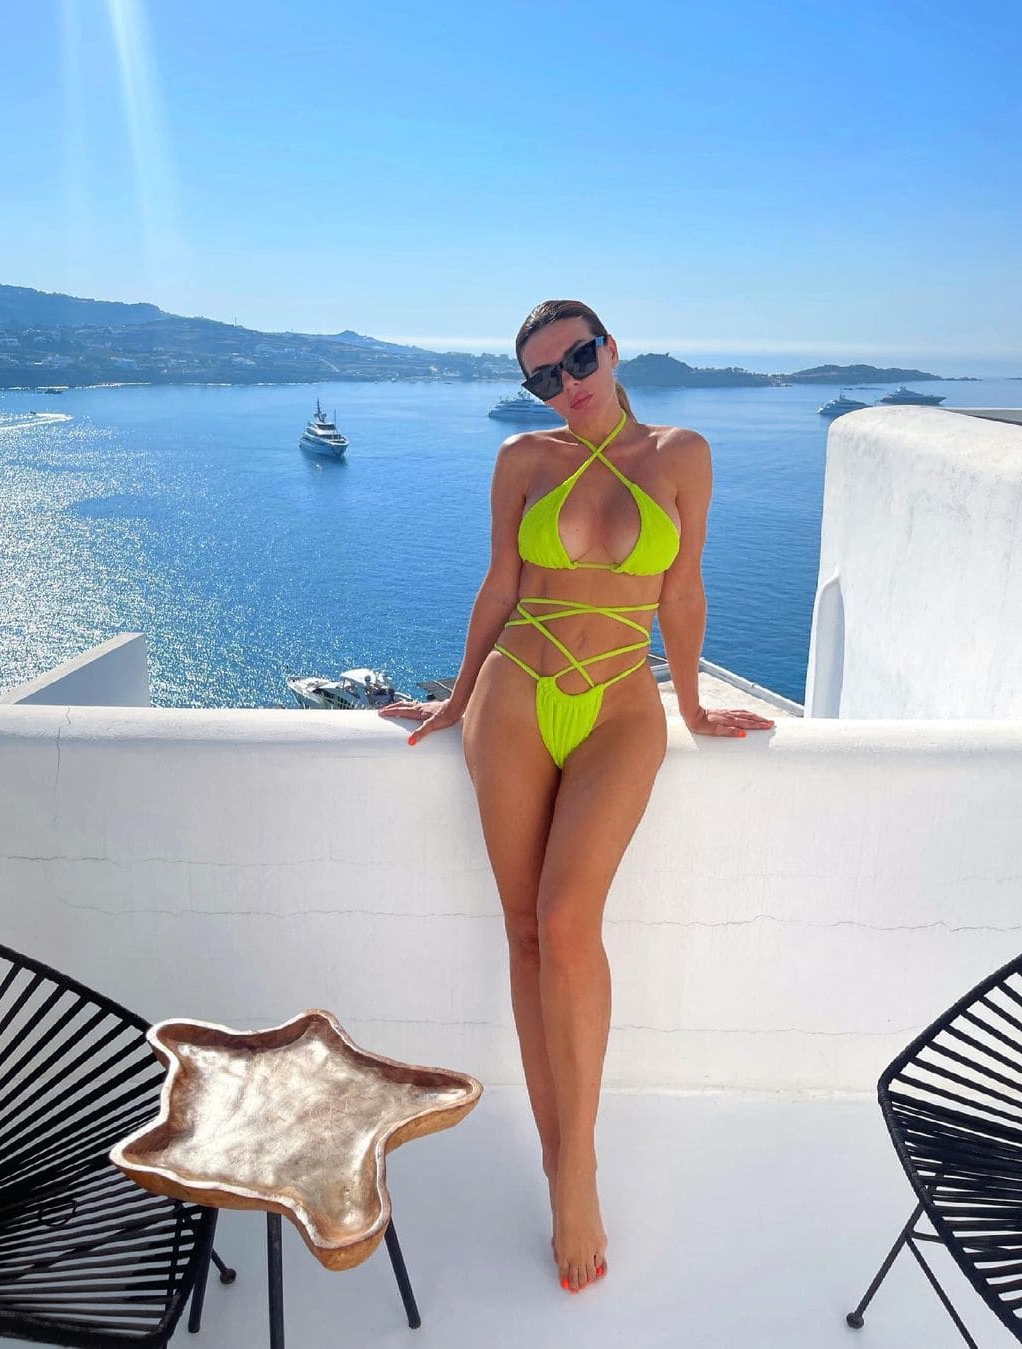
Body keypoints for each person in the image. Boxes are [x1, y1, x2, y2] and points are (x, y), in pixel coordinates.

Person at [379, 299, 775, 1295]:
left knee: (566, 920)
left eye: (580, 358)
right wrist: (456, 698)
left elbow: (682, 590)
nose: (568, 383)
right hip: (516, 688)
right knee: (525, 931)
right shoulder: (522, 459)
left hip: (621, 704)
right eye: (544, 376)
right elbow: (499, 584)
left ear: (612, 347)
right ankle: (562, 1168)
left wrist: (691, 703)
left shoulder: (682, 454)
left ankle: (580, 1161)